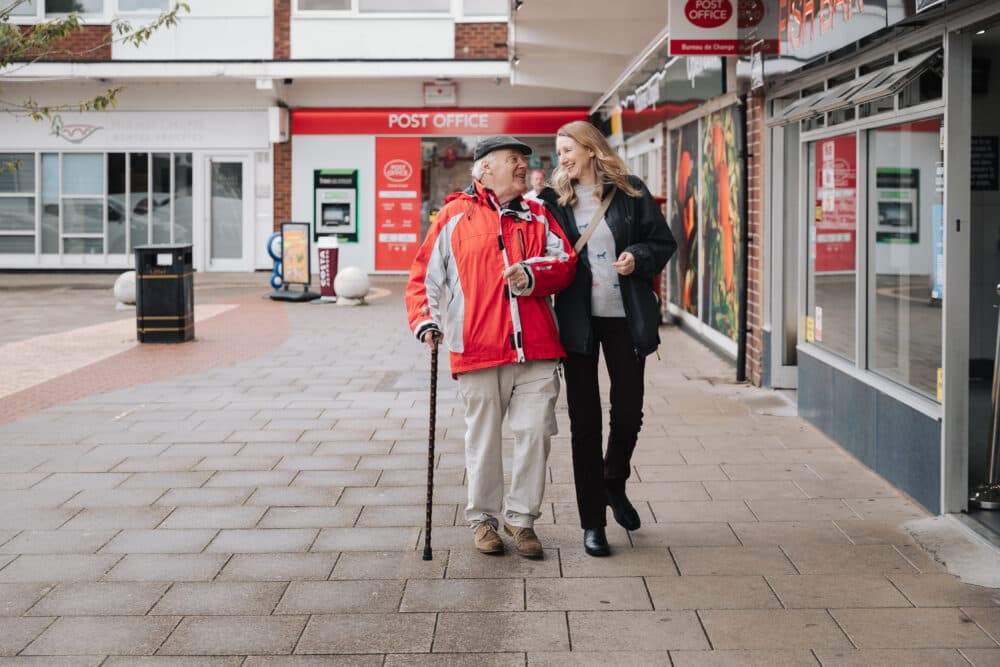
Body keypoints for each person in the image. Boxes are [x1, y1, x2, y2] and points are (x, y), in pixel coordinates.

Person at [406, 135, 576, 559]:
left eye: (524, 159)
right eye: (513, 159)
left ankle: (522, 520)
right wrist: (426, 321)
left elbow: (565, 262)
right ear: (484, 168)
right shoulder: (452, 216)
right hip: (478, 349)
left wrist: (531, 274)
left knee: (535, 434)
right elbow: (423, 279)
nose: (523, 166)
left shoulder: (538, 214)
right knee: (483, 440)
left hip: (536, 349)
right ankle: (482, 520)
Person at [537, 120, 676, 557]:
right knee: (584, 423)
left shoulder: (630, 191)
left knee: (629, 412)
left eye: (567, 149)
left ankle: (614, 481)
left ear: (591, 149)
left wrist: (638, 256)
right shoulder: (553, 201)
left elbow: (663, 242)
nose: (561, 158)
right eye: (558, 151)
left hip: (624, 318)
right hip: (578, 321)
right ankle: (592, 521)